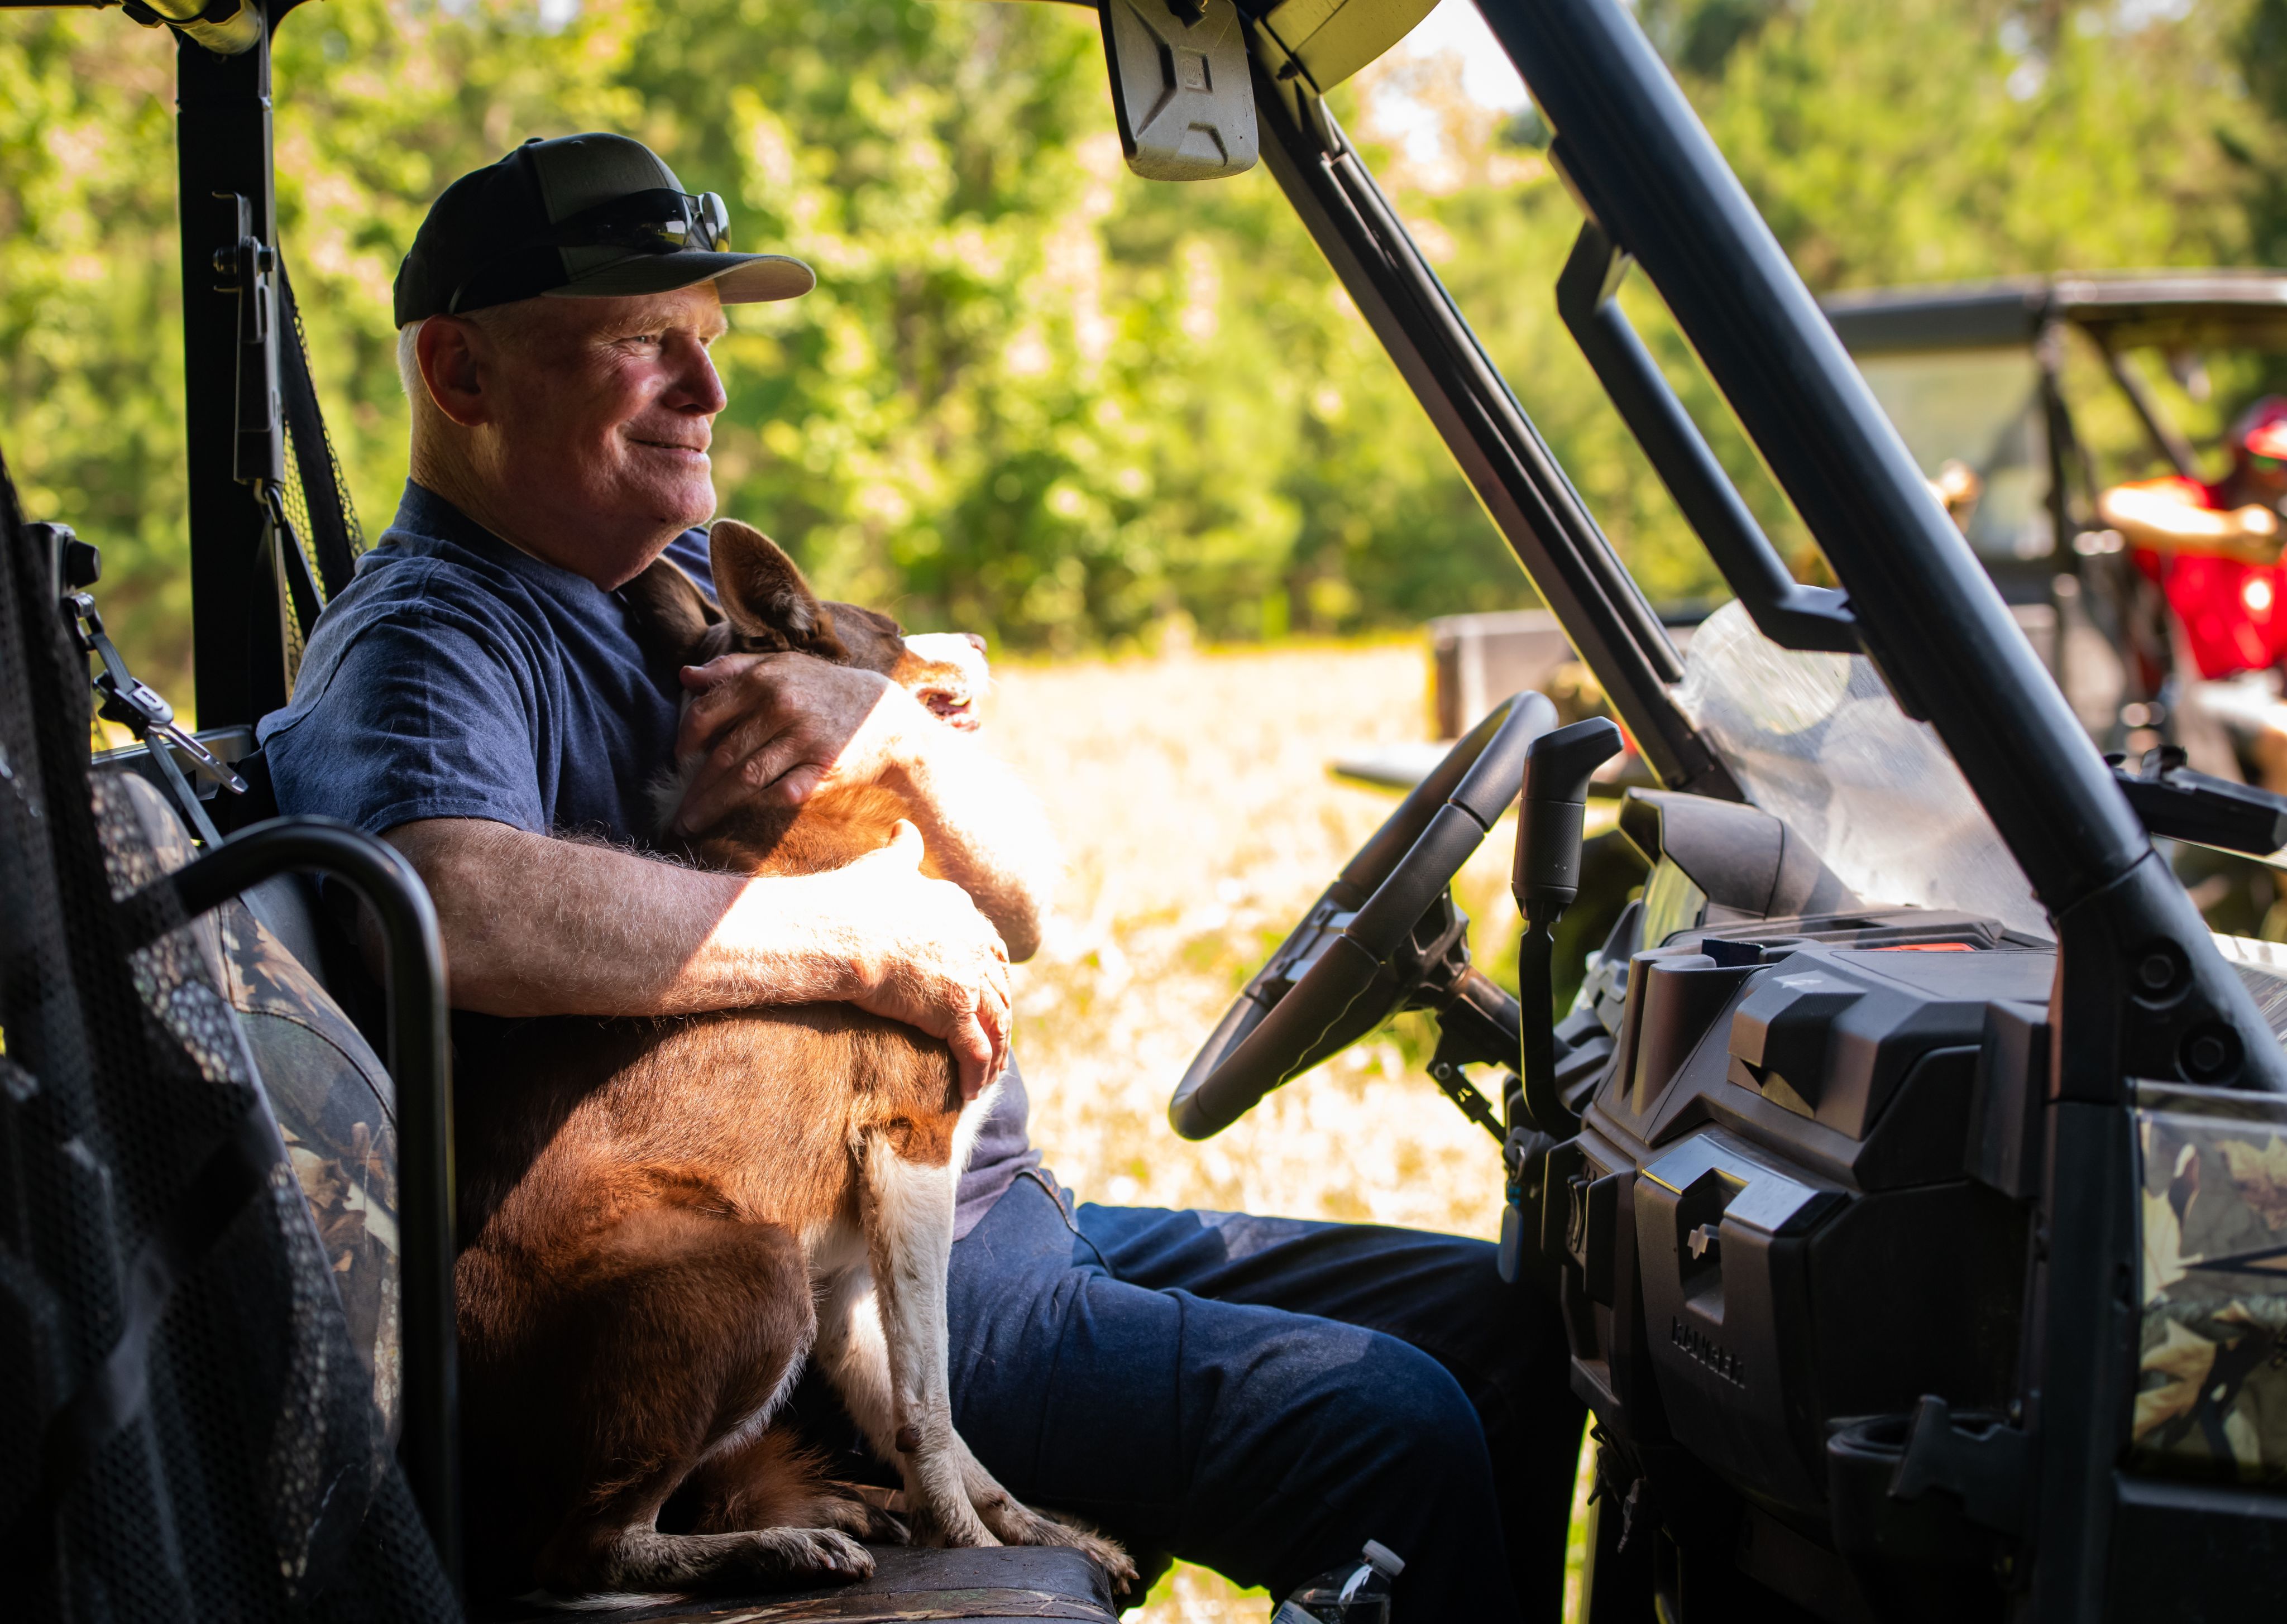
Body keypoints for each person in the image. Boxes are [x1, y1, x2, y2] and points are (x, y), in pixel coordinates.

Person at [257, 134, 1582, 1618]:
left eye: (708, 343)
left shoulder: (677, 574)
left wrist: (906, 746)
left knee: (1500, 1320)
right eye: (645, 343)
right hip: (829, 1287)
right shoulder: (440, 635)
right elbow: (448, 898)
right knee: (1388, 1424)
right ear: (462, 376)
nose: (708, 392)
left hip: (985, 1211)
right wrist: (858, 936)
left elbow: (1030, 909)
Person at [2097, 396, 2287, 788]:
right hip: (2190, 698)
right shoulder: (2198, 504)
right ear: (2238, 454)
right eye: (2269, 462)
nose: (2278, 478)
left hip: (2263, 690)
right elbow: (2117, 506)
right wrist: (2225, 536)